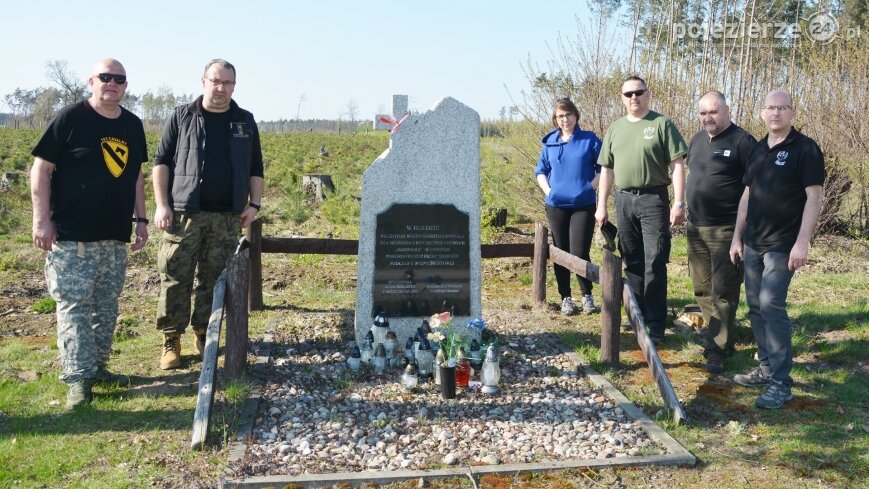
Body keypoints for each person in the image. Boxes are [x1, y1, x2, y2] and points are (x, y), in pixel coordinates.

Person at [30, 58, 148, 408]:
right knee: (74, 308)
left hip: (113, 235)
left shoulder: (132, 124)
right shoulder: (70, 118)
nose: (112, 83)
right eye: (105, 77)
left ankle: (97, 367)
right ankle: (77, 380)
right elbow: (41, 170)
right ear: (92, 81)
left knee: (105, 307)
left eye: (119, 79)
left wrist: (141, 219)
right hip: (71, 236)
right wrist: (41, 221)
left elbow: (136, 175)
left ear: (125, 86)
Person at [153, 59, 264, 370]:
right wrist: (162, 204)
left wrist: (253, 205)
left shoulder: (244, 121)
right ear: (203, 81)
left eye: (228, 83)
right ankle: (171, 338)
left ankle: (205, 334)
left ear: (234, 86)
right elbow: (161, 161)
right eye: (216, 81)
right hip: (184, 214)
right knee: (176, 275)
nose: (221, 88)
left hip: (226, 217)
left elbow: (256, 167)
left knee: (214, 279)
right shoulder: (182, 116)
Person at [729, 90, 824, 409]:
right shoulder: (757, 149)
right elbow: (746, 196)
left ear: (792, 113)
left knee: (771, 304)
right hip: (753, 241)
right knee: (755, 304)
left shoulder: (806, 148)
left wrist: (803, 241)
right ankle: (766, 367)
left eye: (782, 108)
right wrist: (736, 237)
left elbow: (814, 197)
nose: (776, 113)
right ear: (762, 113)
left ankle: (781, 382)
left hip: (784, 244)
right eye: (770, 108)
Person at [596, 76, 688, 342]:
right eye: (628, 94)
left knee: (655, 261)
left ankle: (657, 324)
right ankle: (637, 317)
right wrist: (601, 205)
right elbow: (607, 169)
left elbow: (678, 165)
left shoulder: (662, 124)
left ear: (648, 94)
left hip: (653, 200)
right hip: (623, 200)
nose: (633, 97)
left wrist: (679, 202)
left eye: (638, 92)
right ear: (622, 98)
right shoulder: (615, 128)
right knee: (632, 260)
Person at [685, 91, 757, 373]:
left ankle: (718, 349)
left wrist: (741, 232)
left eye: (713, 112)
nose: (708, 118)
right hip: (696, 225)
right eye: (703, 113)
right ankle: (718, 334)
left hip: (727, 228)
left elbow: (754, 189)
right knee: (702, 288)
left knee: (724, 290)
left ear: (727, 110)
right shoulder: (697, 139)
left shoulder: (742, 141)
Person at [534, 98, 602, 315]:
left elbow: (603, 169)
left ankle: (587, 295)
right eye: (560, 116)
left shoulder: (589, 140)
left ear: (576, 116)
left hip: (583, 205)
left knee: (579, 251)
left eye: (569, 115)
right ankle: (566, 298)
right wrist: (549, 191)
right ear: (555, 119)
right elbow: (541, 171)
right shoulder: (550, 143)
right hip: (556, 206)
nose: (565, 119)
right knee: (561, 252)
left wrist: (588, 188)